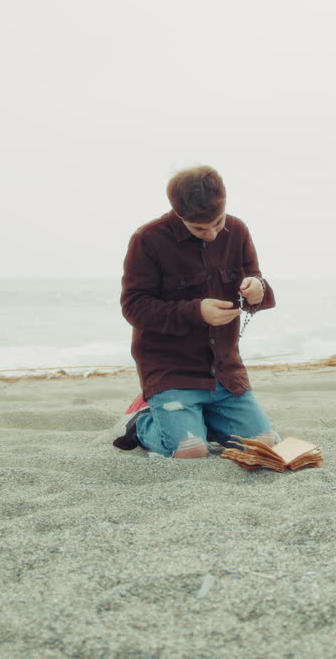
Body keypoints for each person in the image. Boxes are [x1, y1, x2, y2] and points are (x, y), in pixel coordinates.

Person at [114, 165, 279, 458]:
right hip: (171, 371)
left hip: (225, 371)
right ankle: (141, 424)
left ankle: (200, 420)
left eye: (217, 223)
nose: (213, 234)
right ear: (178, 214)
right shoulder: (148, 239)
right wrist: (196, 312)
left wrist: (257, 288)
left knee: (264, 445)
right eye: (200, 228)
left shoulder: (238, 230)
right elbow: (133, 307)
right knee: (189, 451)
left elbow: (255, 282)